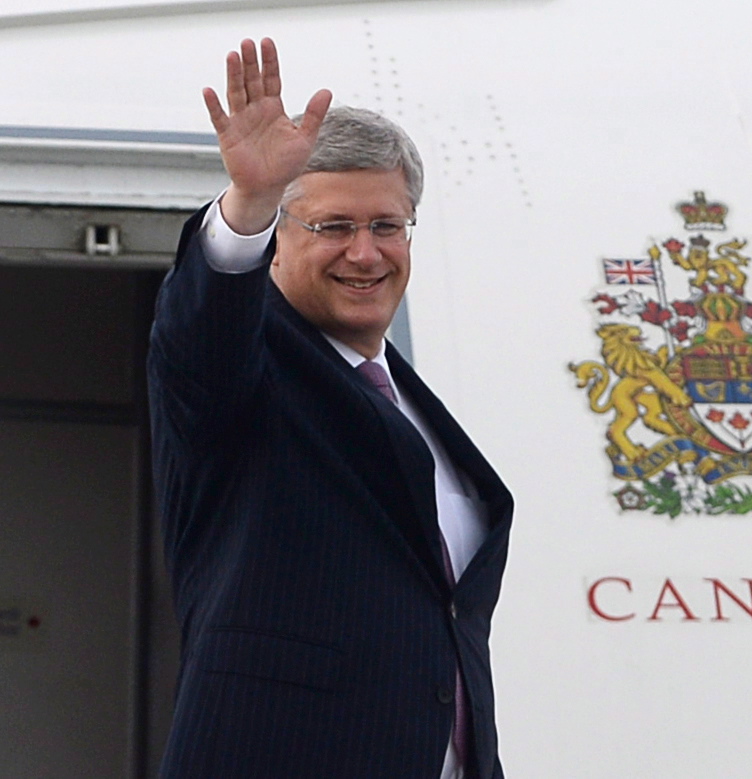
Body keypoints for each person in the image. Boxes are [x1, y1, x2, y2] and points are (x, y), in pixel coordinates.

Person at [147, 38, 513, 778]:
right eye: (333, 227)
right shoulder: (245, 375)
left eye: (387, 226)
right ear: (277, 241)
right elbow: (199, 337)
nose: (366, 253)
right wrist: (247, 203)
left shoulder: (411, 402)